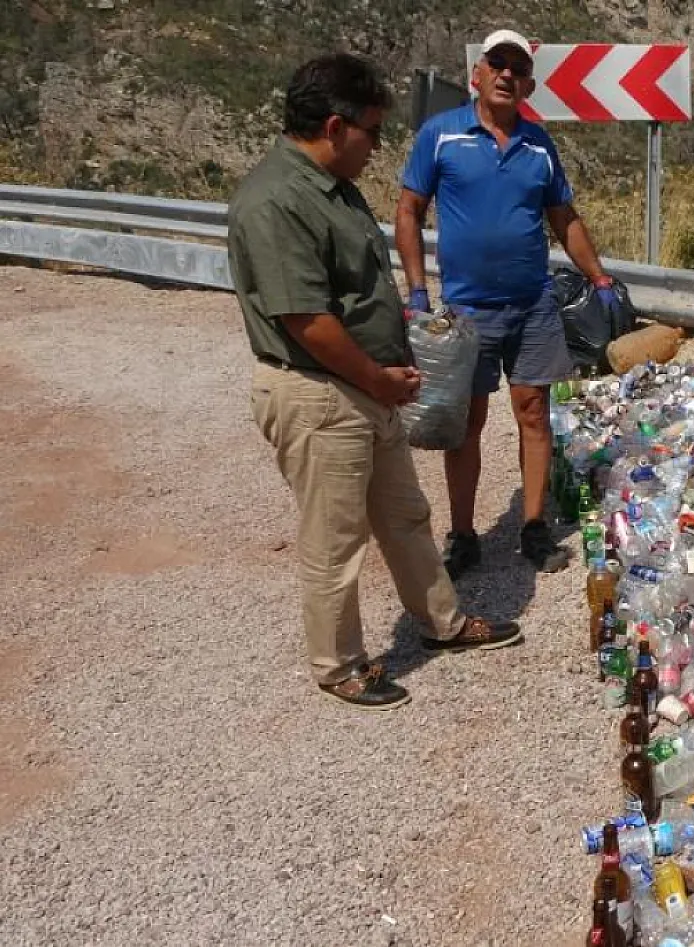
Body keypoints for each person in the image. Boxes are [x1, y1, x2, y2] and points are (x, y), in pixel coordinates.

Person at [229, 53, 522, 711]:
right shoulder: (277, 200)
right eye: (371, 133)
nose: (376, 149)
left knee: (405, 516)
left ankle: (441, 622)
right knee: (334, 538)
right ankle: (339, 664)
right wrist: (378, 379)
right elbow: (308, 320)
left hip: (364, 388)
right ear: (336, 126)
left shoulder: (331, 185)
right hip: (320, 391)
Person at [396, 28, 621, 576]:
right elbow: (408, 212)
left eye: (516, 69)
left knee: (535, 414)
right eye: (496, 64)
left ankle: (534, 527)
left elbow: (563, 219)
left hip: (533, 305)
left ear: (529, 83)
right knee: (466, 424)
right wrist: (419, 292)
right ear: (476, 74)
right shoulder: (441, 136)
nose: (505, 75)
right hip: (467, 310)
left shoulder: (540, 145)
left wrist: (601, 280)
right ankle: (465, 535)